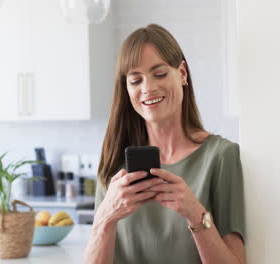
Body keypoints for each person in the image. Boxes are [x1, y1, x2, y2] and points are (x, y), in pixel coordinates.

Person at [84, 24, 246, 264]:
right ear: (126, 90)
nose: (148, 88)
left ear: (182, 73)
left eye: (159, 74)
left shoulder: (220, 156)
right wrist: (105, 217)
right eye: (135, 80)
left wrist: (195, 213)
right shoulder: (114, 163)